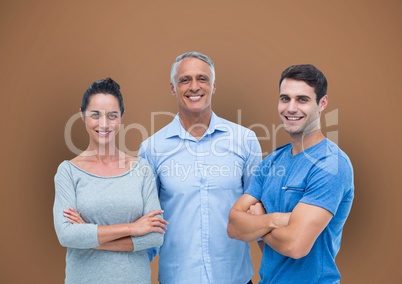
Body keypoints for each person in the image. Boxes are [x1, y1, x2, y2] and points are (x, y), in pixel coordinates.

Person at [138, 52, 262, 284]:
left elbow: (259, 212)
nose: (194, 87)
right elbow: (149, 222)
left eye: (202, 79)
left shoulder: (245, 140)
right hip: (177, 278)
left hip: (234, 278)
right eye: (185, 80)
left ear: (214, 86)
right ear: (173, 88)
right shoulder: (152, 148)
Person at [227, 64, 354, 283]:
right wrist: (276, 219)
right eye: (285, 99)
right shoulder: (273, 161)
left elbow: (295, 245)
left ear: (322, 103)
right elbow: (234, 226)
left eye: (302, 99)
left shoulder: (331, 164)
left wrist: (258, 224)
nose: (291, 108)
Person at [53, 78, 168, 284]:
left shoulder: (141, 169)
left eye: (112, 116)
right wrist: (132, 228)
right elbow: (67, 235)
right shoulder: (68, 172)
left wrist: (90, 238)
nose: (104, 124)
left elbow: (154, 236)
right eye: (95, 115)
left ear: (121, 118)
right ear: (82, 115)